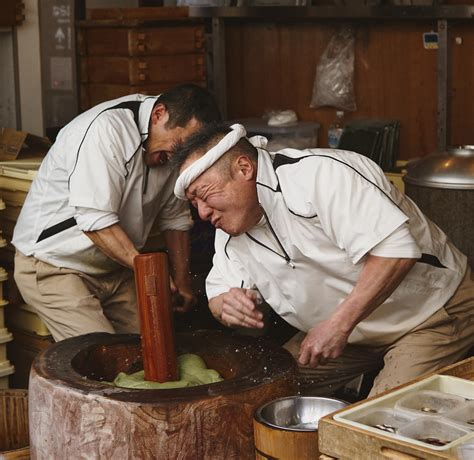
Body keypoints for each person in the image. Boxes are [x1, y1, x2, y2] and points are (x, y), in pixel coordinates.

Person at [172, 123, 474, 396]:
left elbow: (395, 252)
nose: (202, 213)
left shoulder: (319, 176)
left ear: (243, 168)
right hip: (349, 330)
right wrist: (226, 305)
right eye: (194, 202)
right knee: (263, 390)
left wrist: (338, 326)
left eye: (205, 194)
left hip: (430, 313)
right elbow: (218, 291)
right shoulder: (230, 225)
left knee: (379, 425)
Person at [13, 84, 221, 342]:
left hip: (115, 267)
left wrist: (182, 280)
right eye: (179, 145)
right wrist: (149, 272)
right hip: (54, 265)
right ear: (159, 115)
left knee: (153, 348)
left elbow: (175, 218)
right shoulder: (105, 130)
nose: (181, 157)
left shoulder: (173, 152)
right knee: (100, 359)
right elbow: (95, 221)